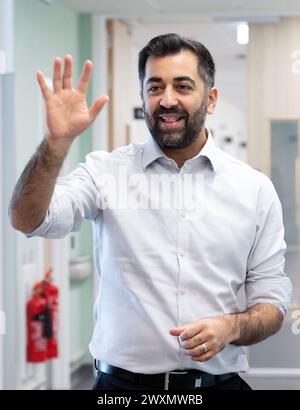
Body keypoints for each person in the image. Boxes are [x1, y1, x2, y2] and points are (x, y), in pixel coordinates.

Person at [9, 33, 292, 391]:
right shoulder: (105, 173)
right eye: (155, 87)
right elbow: (27, 219)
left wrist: (231, 328)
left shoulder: (254, 189)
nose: (167, 99)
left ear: (212, 99)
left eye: (183, 86)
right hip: (121, 390)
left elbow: (272, 301)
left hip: (218, 386)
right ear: (143, 96)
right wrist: (56, 144)